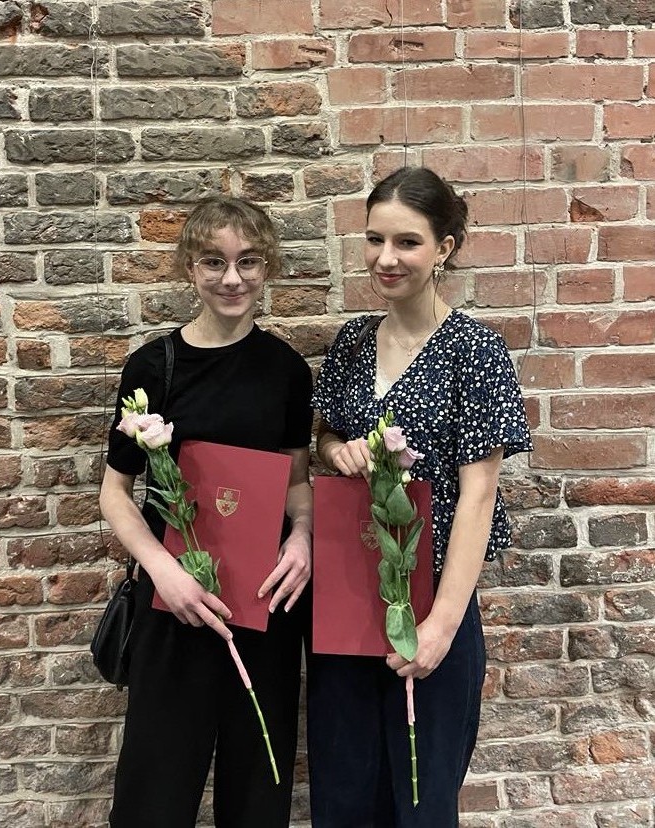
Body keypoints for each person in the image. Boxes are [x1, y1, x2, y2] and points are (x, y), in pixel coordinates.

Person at [307, 166, 533, 827]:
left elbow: (478, 496)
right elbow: (324, 434)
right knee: (343, 796)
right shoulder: (353, 343)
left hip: (433, 602)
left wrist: (439, 628)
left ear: (444, 248)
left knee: (422, 802)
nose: (386, 258)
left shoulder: (476, 352)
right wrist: (336, 451)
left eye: (407, 242)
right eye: (375, 239)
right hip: (349, 602)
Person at [99, 195, 313, 828]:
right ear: (190, 268)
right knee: (155, 791)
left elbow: (297, 482)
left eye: (248, 261)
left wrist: (303, 536)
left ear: (267, 266)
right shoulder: (154, 367)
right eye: (214, 261)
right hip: (173, 604)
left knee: (257, 791)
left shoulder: (286, 370)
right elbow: (115, 492)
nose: (232, 278)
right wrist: (162, 572)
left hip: (265, 599)